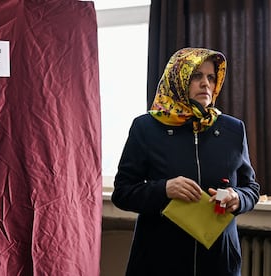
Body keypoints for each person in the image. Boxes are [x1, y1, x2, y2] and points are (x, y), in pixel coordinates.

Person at [111, 47, 260, 276]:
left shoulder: (233, 129)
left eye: (211, 77)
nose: (206, 84)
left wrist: (237, 198)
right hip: (158, 260)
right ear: (178, 78)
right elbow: (122, 192)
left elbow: (251, 188)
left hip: (219, 261)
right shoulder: (146, 127)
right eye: (196, 76)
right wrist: (164, 189)